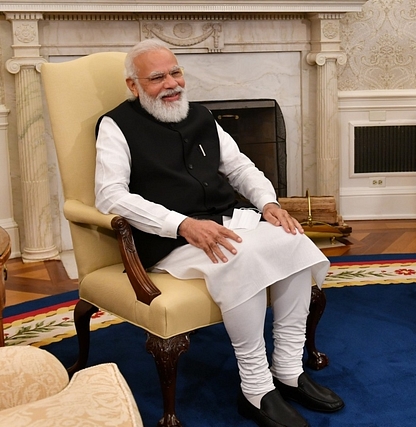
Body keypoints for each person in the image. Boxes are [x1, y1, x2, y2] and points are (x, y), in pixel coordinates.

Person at [94, 39, 344, 427]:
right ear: (133, 85)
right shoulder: (116, 125)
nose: (171, 83)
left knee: (291, 241)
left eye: (175, 72)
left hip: (225, 222)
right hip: (171, 238)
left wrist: (269, 204)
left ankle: (288, 369)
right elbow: (110, 196)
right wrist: (180, 223)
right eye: (157, 77)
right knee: (237, 258)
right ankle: (256, 389)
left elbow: (241, 168)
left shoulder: (201, 115)